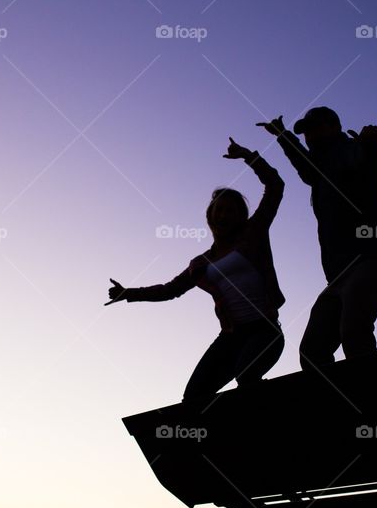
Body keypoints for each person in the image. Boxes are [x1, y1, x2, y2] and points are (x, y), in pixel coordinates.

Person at [106, 138, 285, 402]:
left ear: (241, 216)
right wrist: (128, 293)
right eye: (219, 210)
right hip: (231, 336)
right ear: (211, 216)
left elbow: (275, 186)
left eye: (230, 211)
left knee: (246, 375)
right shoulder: (201, 263)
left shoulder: (253, 233)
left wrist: (249, 156)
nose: (223, 215)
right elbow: (169, 290)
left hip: (265, 331)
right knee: (193, 398)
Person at [257, 107, 377, 372]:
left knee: (354, 333)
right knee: (313, 351)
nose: (310, 137)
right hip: (339, 277)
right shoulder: (319, 172)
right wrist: (282, 135)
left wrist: (372, 142)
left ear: (334, 127)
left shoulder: (349, 151)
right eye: (307, 133)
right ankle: (337, 404)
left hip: (375, 259)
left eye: (315, 129)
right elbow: (306, 167)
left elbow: (366, 157)